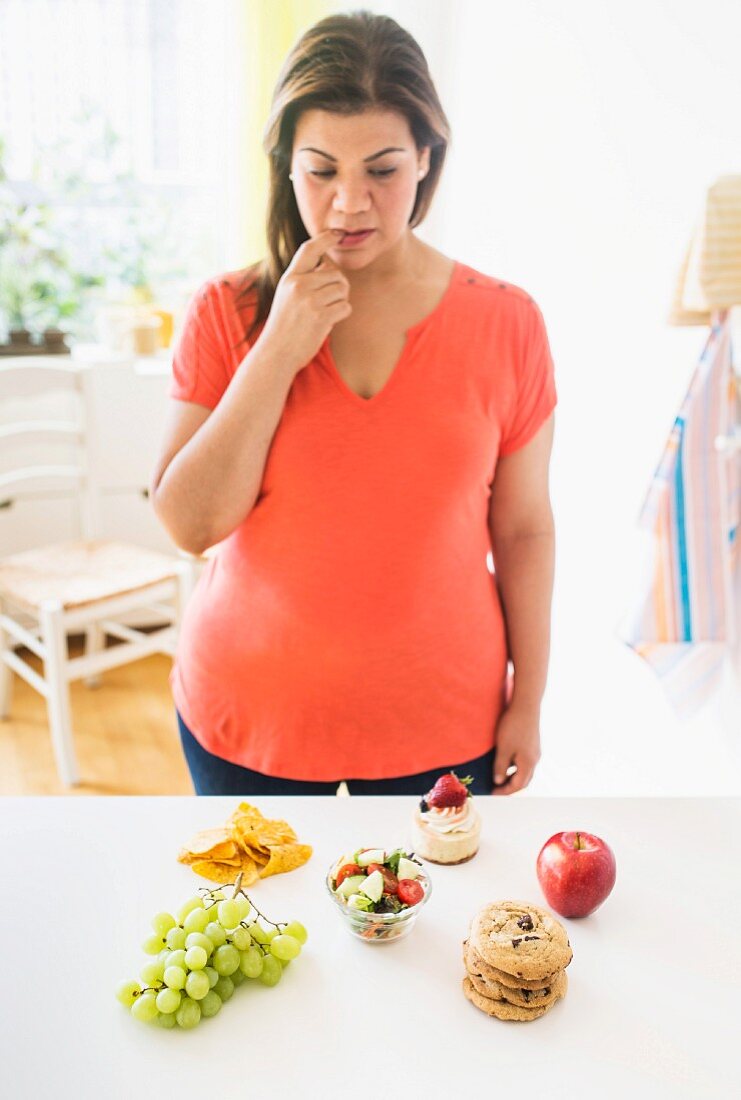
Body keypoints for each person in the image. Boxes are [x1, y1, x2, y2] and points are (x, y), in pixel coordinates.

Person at [150, 11, 557, 798]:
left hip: (444, 724)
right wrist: (277, 349)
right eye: (320, 170)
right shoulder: (225, 312)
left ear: (426, 161)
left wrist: (529, 699)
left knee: (436, 923)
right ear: (284, 166)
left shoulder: (507, 321)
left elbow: (524, 527)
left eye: (381, 168)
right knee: (256, 925)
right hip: (247, 719)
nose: (348, 203)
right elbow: (188, 526)